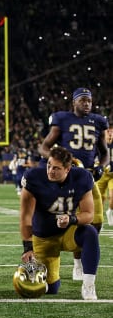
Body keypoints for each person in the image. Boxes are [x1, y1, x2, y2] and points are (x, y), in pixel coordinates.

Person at [38, 87, 109, 280]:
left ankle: (79, 259)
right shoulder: (62, 119)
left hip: (86, 177)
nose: (86, 103)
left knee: (96, 221)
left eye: (89, 101)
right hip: (66, 177)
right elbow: (44, 147)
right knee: (59, 218)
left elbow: (104, 152)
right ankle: (65, 261)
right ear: (74, 102)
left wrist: (101, 166)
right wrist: (59, 161)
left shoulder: (98, 122)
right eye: (83, 100)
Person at [20, 145, 99, 300]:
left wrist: (72, 219)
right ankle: (41, 273)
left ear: (68, 169)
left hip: (67, 232)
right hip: (43, 238)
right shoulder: (34, 177)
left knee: (90, 232)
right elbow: (25, 216)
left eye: (56, 168)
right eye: (49, 165)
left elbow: (89, 214)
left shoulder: (82, 177)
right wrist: (28, 247)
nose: (50, 171)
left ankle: (89, 285)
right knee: (50, 289)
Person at [98, 125, 113, 226]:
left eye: (112, 131)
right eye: (108, 131)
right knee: (99, 198)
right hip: (102, 174)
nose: (110, 133)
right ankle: (99, 218)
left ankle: (110, 212)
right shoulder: (99, 143)